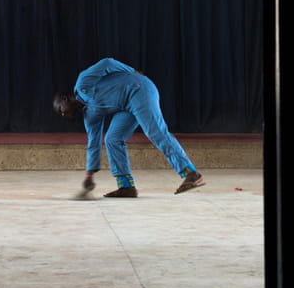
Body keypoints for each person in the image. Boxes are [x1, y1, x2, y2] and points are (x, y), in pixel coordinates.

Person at [53, 57, 204, 197]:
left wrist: (131, 71)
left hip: (139, 89)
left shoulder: (83, 82)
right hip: (127, 107)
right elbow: (93, 142)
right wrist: (89, 175)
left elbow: (107, 63)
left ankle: (190, 173)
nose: (62, 115)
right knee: (112, 139)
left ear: (65, 98)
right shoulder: (90, 115)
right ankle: (126, 187)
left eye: (60, 110)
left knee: (155, 131)